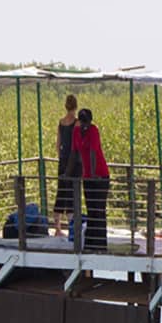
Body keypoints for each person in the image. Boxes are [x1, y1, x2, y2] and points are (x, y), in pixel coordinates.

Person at [71, 107, 111, 252]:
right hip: (87, 176)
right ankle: (90, 243)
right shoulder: (76, 132)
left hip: (100, 175)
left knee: (98, 209)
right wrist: (68, 172)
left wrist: (94, 173)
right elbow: (74, 153)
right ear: (79, 122)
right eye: (83, 123)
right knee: (91, 210)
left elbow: (93, 152)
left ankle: (101, 244)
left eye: (87, 123)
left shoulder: (93, 130)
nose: (85, 126)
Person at [52, 94, 79, 235]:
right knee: (72, 194)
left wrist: (61, 156)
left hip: (62, 162)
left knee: (61, 192)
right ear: (76, 106)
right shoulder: (77, 123)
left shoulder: (61, 122)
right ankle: (71, 228)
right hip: (72, 163)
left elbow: (58, 144)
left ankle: (57, 227)